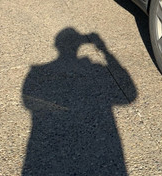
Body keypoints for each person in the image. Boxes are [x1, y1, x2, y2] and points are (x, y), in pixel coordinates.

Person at [22, 28, 135, 175]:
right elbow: (129, 96)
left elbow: (28, 103)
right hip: (100, 145)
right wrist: (104, 50)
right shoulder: (97, 70)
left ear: (56, 46)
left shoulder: (35, 74)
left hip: (46, 147)